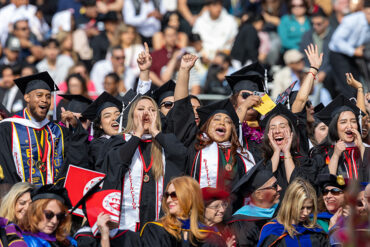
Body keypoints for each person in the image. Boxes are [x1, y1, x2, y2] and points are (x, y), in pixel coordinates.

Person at [99, 93, 187, 232]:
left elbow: (181, 155)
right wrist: (137, 135)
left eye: (152, 110)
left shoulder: (165, 142)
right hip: (125, 223)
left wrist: (155, 132)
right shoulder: (120, 140)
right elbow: (117, 162)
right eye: (140, 109)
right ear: (132, 115)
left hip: (158, 222)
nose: (146, 113)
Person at [0, 71, 89, 185]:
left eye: (48, 96)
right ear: (27, 97)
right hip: (22, 197)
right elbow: (6, 167)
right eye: (39, 95)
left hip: (53, 196)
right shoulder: (7, 128)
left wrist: (76, 127)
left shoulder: (58, 131)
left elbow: (77, 159)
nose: (44, 100)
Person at [140, 176, 226, 246]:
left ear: (189, 197)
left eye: (174, 195)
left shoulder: (211, 236)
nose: (168, 200)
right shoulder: (156, 230)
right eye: (167, 195)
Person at [260, 103, 319, 196]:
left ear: (292, 133)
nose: (277, 131)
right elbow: (263, 185)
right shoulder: (262, 161)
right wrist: (276, 152)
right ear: (268, 134)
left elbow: (298, 188)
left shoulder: (304, 162)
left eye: (282, 126)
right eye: (272, 128)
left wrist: (286, 152)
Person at [257, 178, 330, 246]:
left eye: (309, 208)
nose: (306, 213)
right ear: (290, 204)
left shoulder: (316, 232)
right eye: (301, 208)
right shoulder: (272, 231)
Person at [311, 95, 369, 180]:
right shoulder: (322, 152)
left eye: (353, 121)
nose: (349, 126)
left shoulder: (365, 149)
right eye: (343, 122)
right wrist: (336, 155)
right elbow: (326, 182)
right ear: (334, 126)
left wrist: (361, 147)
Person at [228, 163, 282, 247]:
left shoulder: (282, 211)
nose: (280, 188)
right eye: (274, 186)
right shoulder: (241, 224)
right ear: (259, 195)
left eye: (277, 183)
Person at [328, 0, 370, 98]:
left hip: (353, 54)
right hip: (338, 54)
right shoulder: (352, 20)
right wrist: (354, 51)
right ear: (363, 11)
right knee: (348, 87)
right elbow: (336, 41)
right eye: (369, 13)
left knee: (357, 84)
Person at [81, 91, 122, 170]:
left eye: (117, 114)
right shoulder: (97, 145)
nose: (114, 118)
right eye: (107, 116)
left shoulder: (129, 138)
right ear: (100, 125)